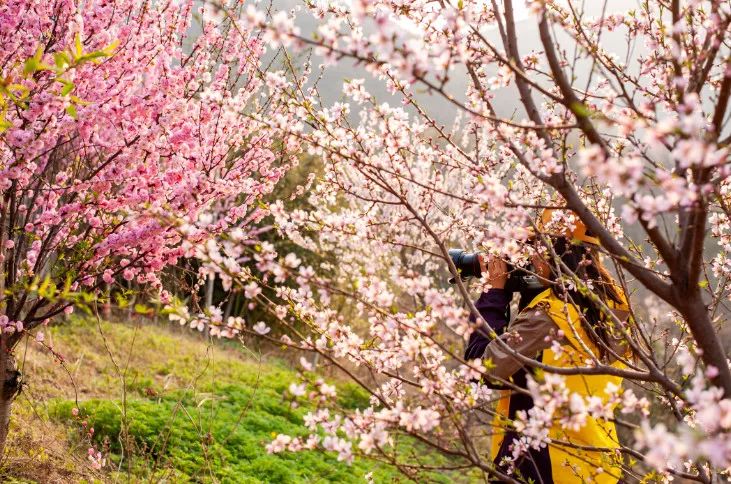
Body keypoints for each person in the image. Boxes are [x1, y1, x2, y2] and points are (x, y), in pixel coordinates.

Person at [465, 210, 632, 484]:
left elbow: (482, 368)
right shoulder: (615, 306)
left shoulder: (550, 314)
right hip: (595, 464)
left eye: (534, 248)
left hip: (542, 465)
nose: (530, 257)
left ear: (552, 252)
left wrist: (494, 294)